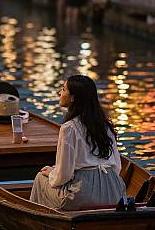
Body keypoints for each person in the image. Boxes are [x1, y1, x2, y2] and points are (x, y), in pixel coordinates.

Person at [30, 75, 126, 210]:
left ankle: (41, 223)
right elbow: (117, 167)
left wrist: (52, 172)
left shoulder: (69, 128)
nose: (59, 93)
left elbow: (64, 175)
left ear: (73, 97)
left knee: (41, 178)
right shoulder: (106, 126)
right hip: (115, 192)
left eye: (63, 90)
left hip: (82, 194)